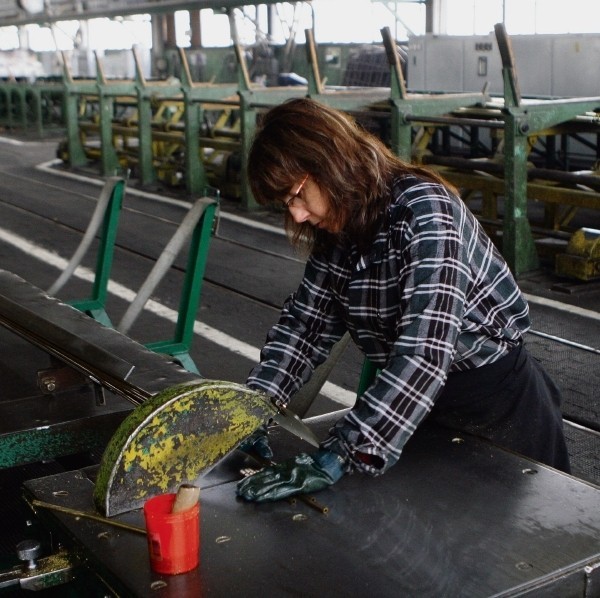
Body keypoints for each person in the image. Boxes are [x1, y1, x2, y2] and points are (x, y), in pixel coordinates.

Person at [236, 97, 570, 503]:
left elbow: (425, 349)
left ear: (328, 164)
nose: (299, 216)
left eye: (295, 196)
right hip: (413, 404)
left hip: (497, 408)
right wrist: (251, 410)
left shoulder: (425, 212)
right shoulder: (339, 230)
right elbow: (305, 328)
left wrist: (340, 451)